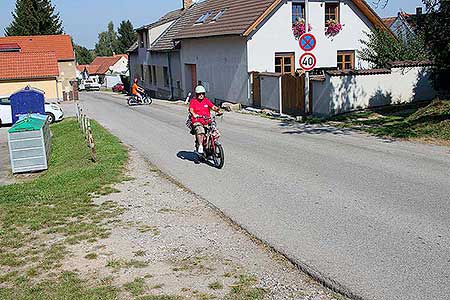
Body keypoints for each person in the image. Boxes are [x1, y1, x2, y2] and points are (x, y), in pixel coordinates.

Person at [189, 85, 220, 154]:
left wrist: (217, 110)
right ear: (196, 94)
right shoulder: (193, 101)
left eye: (202, 93)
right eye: (199, 94)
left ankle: (212, 146)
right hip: (197, 121)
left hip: (207, 121)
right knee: (201, 131)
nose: (201, 95)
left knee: (215, 133)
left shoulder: (206, 100)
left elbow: (212, 106)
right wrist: (194, 114)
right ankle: (200, 146)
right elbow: (191, 109)